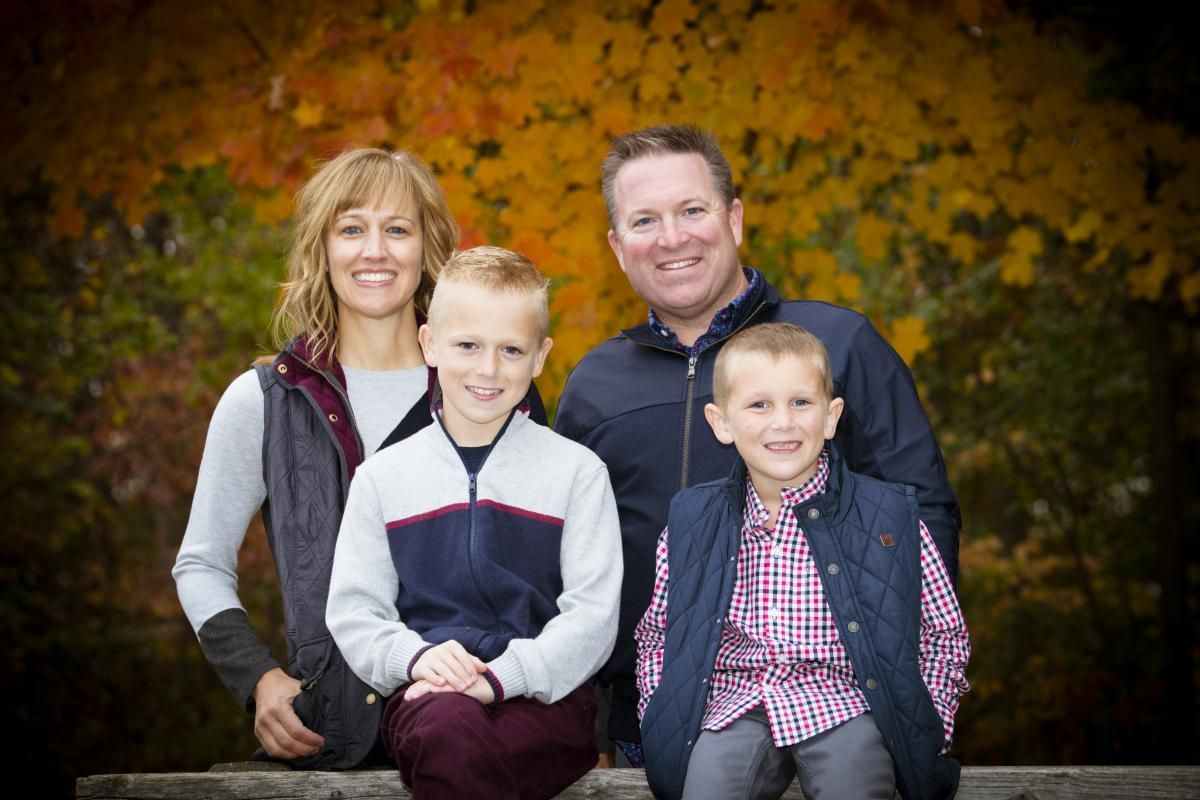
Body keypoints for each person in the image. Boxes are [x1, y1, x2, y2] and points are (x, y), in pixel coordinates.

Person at [555, 124, 962, 765]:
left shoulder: (837, 345)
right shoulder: (595, 385)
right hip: (653, 722)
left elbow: (924, 520)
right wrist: (579, 717)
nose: (671, 238)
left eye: (692, 210)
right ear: (617, 244)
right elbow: (565, 563)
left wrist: (910, 704)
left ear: (733, 217)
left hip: (843, 721)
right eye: (644, 220)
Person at [173, 149, 547, 768]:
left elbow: (542, 573)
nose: (374, 250)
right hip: (328, 734)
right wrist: (259, 680)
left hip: (478, 726)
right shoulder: (265, 400)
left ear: (429, 249)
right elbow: (200, 564)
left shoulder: (491, 387)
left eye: (397, 229)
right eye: (351, 229)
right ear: (322, 248)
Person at [326, 246, 622, 799]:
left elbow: (594, 617)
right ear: (429, 344)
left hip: (546, 698)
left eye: (511, 349)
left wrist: (499, 679)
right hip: (430, 693)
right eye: (468, 346)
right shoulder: (383, 478)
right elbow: (355, 610)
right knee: (448, 732)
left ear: (540, 357)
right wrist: (417, 658)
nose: (488, 369)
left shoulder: (576, 473)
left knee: (463, 759)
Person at [635, 323, 970, 800]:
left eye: (801, 403)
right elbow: (658, 635)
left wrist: (926, 724)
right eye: (758, 405)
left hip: (850, 704)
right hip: (734, 706)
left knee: (853, 786)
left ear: (831, 417)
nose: (782, 423)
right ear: (721, 422)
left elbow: (943, 635)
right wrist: (660, 714)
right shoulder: (693, 518)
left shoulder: (888, 516)